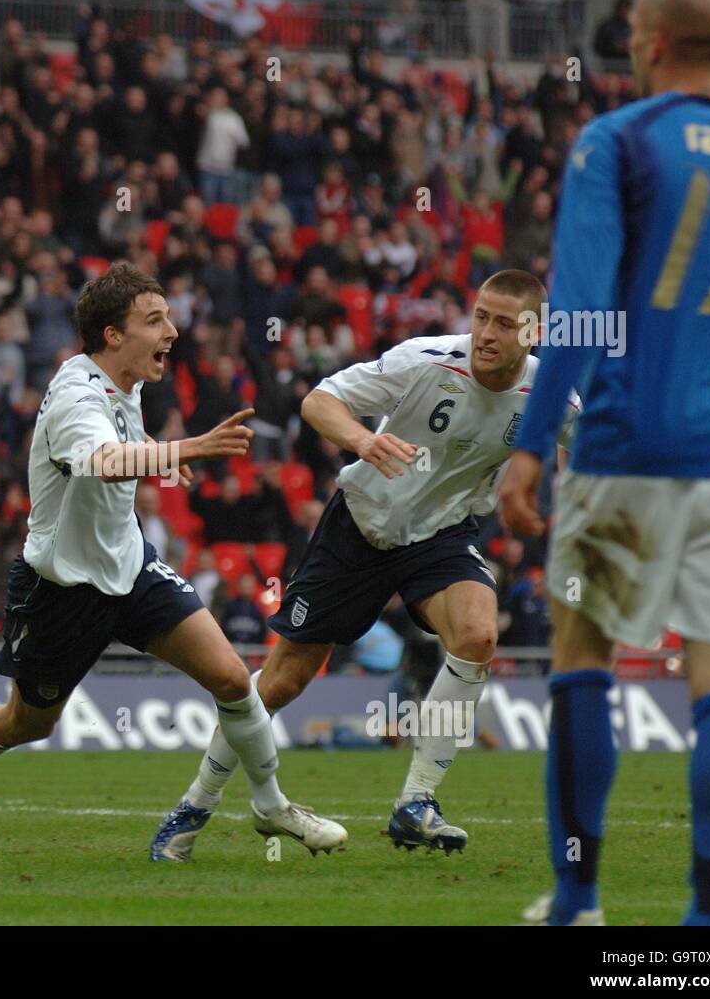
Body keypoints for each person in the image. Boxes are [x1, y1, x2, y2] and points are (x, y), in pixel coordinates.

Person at [0, 262, 347, 856]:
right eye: (154, 320)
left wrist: (156, 452)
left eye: (169, 317)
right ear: (112, 336)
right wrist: (189, 448)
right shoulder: (74, 396)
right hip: (61, 589)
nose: (172, 331)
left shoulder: (128, 383)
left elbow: (123, 440)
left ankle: (271, 804)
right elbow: (99, 458)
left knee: (231, 677)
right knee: (28, 722)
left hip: (129, 566)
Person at [501, 0, 710, 927]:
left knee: (583, 656)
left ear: (647, 41)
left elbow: (577, 309)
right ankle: (707, 929)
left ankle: (579, 900)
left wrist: (531, 444)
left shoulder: (615, 139)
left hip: (626, 448)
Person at [152, 269, 575, 861]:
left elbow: (592, 458)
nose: (485, 332)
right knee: (281, 682)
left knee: (478, 633)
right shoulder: (425, 361)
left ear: (533, 332)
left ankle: (416, 803)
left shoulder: (549, 393)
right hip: (363, 523)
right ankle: (194, 804)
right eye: (481, 316)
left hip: (443, 536)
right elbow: (318, 401)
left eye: (504, 323)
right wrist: (363, 441)